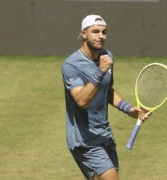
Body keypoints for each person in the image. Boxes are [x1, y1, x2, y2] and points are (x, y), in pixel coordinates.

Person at [61, 14, 149, 180]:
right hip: (84, 139)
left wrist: (129, 109)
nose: (101, 36)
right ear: (84, 34)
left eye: (104, 32)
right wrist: (100, 70)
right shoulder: (71, 65)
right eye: (95, 31)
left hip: (104, 135)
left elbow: (107, 90)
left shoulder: (107, 57)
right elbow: (81, 101)